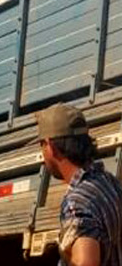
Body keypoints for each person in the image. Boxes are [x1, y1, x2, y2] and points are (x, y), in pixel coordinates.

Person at [37, 103, 122, 266]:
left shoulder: (76, 203)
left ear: (51, 147)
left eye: (42, 144)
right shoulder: (109, 182)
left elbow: (86, 262)